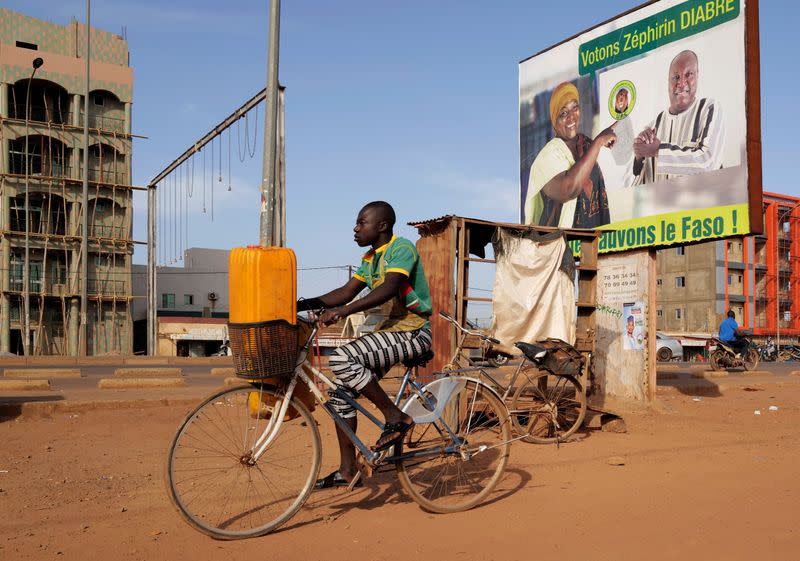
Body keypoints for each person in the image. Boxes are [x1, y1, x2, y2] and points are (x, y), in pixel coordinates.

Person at [297, 201, 432, 489]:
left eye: (361, 223)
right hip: (391, 333)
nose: (355, 229)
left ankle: (395, 416)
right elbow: (345, 291)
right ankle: (348, 471)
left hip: (413, 332)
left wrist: (344, 312)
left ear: (382, 226)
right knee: (339, 395)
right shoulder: (370, 259)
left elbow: (389, 288)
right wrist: (301, 303)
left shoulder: (401, 248)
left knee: (342, 358)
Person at [524, 81, 615, 229]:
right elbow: (569, 189)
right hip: (561, 248)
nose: (571, 117)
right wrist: (598, 143)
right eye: (564, 113)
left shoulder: (586, 144)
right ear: (554, 120)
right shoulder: (546, 158)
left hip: (594, 244)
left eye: (575, 108)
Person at [632, 50, 725, 185]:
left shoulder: (709, 108)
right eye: (675, 77)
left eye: (689, 74)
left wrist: (658, 150)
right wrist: (639, 157)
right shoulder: (653, 126)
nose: (681, 83)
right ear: (668, 81)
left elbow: (709, 163)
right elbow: (637, 184)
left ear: (697, 76)